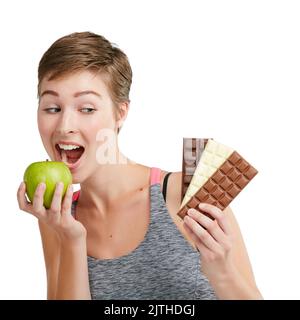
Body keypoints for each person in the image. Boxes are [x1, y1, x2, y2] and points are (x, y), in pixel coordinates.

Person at [17, 31, 263, 300]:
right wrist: (72, 240)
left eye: (86, 109)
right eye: (52, 108)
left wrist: (223, 272)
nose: (65, 127)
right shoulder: (57, 217)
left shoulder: (189, 190)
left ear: (120, 113)